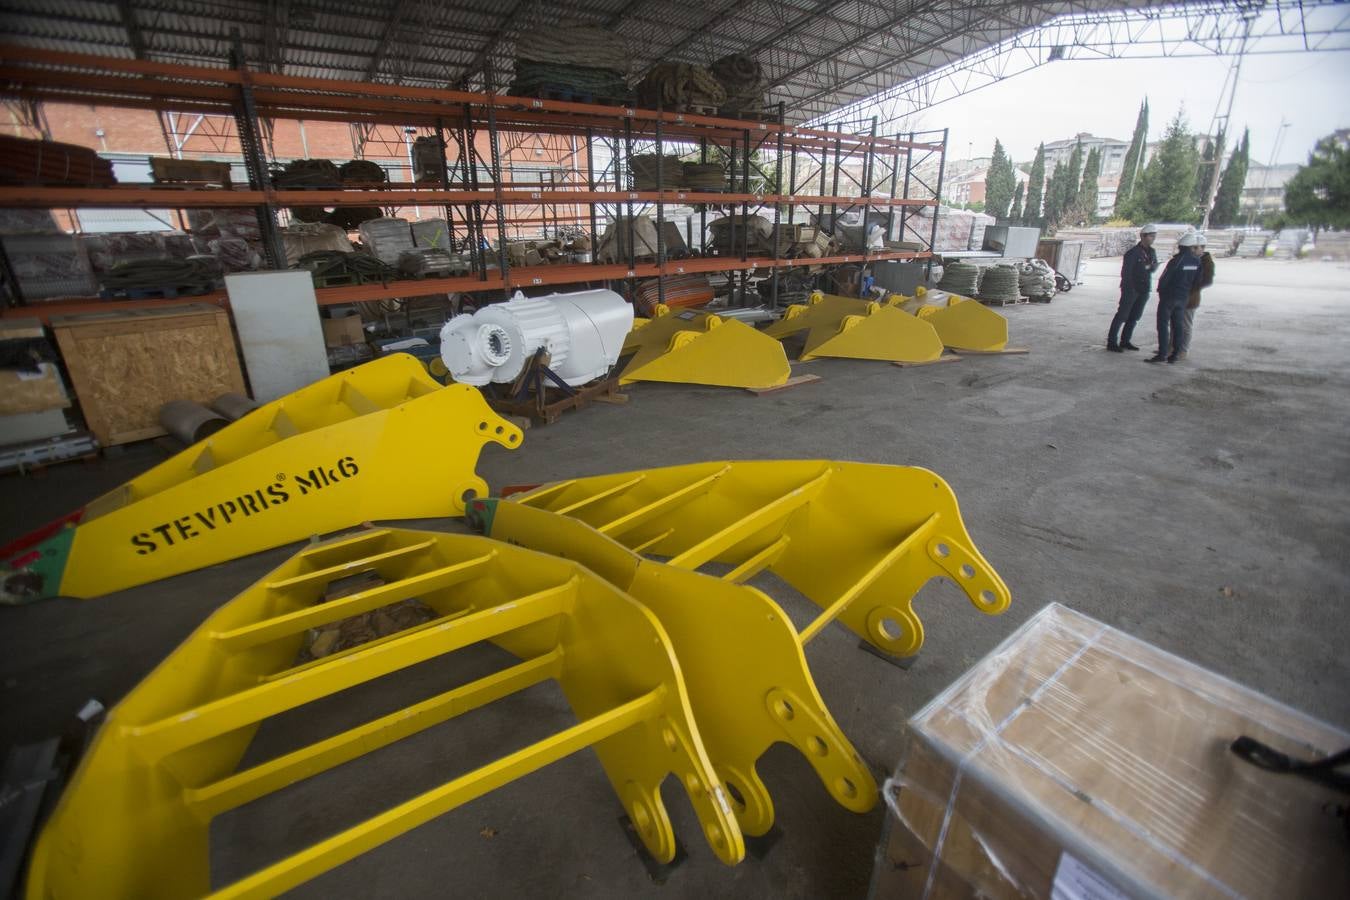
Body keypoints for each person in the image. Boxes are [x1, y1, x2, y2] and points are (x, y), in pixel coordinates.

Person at [1148, 232, 1204, 363]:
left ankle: (1162, 354)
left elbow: (1164, 279)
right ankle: (1175, 354)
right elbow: (1197, 281)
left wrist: (1161, 291)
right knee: (1178, 325)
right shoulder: (1197, 262)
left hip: (1169, 297)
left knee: (1163, 325)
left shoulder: (1176, 261)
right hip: (1183, 297)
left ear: (1182, 246)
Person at [1106, 223, 1159, 352]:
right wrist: (1129, 289)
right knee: (1122, 315)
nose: (1153, 239)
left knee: (1134, 317)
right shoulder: (1133, 253)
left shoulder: (1151, 252)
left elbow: (1153, 266)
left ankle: (1125, 340)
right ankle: (1112, 342)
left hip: (1144, 288)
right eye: (1151, 236)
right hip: (1131, 289)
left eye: (1154, 236)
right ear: (1143, 236)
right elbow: (1126, 273)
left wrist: (1150, 267)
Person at [1173, 232, 1216, 361]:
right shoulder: (1187, 259)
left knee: (1185, 325)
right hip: (1178, 297)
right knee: (1174, 324)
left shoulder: (1205, 262)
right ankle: (1171, 347)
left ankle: (1183, 350)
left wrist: (1192, 287)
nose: (1195, 249)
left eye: (1196, 247)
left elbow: (1207, 280)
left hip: (1190, 299)